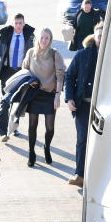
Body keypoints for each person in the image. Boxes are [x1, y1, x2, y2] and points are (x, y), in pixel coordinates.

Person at [64, 21, 103, 187]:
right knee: (82, 140)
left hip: (105, 108)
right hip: (84, 105)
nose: (101, 38)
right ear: (94, 36)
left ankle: (99, 175)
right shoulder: (82, 54)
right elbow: (69, 76)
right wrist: (69, 98)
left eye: (104, 34)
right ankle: (79, 175)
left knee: (102, 142)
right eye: (99, 35)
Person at [20, 28, 66, 167]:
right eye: (42, 37)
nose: (44, 40)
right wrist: (29, 81)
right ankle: (31, 151)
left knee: (50, 127)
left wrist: (57, 96)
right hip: (34, 94)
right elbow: (25, 70)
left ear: (50, 39)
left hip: (49, 95)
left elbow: (60, 76)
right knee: (32, 125)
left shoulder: (55, 54)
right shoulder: (31, 52)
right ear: (38, 38)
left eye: (47, 38)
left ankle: (46, 147)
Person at [0, 13, 35, 94]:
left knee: (19, 95)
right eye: (16, 23)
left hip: (21, 70)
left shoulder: (29, 36)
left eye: (20, 23)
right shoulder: (4, 35)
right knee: (5, 96)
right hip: (7, 70)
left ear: (24, 24)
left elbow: (34, 54)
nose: (18, 25)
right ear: (12, 24)